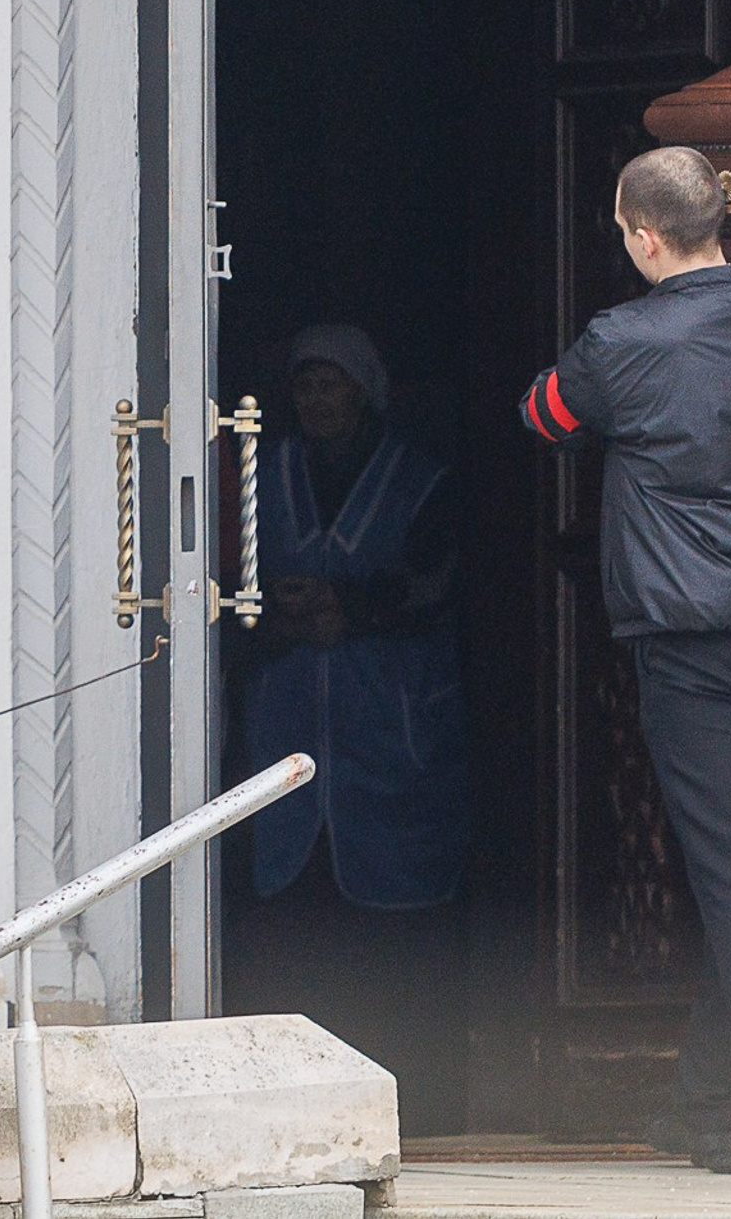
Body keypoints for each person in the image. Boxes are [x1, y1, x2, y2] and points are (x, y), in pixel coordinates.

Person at [519, 146, 731, 1176]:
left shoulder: (622, 341)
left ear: (643, 236)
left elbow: (543, 415)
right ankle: (705, 1102)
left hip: (691, 634)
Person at [234, 323, 469, 1134]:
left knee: (394, 942)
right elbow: (224, 585)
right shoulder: (258, 472)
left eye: (332, 383)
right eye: (306, 385)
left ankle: (418, 1111)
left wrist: (358, 609)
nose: (317, 398)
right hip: (289, 723)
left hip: (390, 729)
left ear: (364, 391)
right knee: (297, 929)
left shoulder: (420, 479)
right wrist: (281, 619)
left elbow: (441, 581)